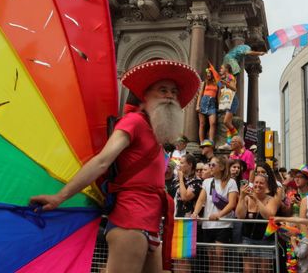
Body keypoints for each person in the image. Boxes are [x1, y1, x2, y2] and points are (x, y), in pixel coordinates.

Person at [29, 59, 198, 273]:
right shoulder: (133, 122)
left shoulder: (155, 133)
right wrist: (60, 197)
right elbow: (101, 161)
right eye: (162, 90)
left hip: (151, 223)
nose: (170, 96)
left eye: (174, 91)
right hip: (130, 221)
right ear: (145, 96)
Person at [193, 155, 240, 273]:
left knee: (220, 257)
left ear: (222, 167)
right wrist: (195, 213)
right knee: (211, 258)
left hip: (223, 225)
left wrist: (219, 215)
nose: (210, 167)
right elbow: (200, 200)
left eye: (213, 165)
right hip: (207, 224)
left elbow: (232, 204)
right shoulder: (207, 181)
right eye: (209, 165)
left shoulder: (231, 182)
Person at [236, 168, 281, 273]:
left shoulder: (271, 199)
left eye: (261, 183)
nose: (258, 185)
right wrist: (242, 197)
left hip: (266, 241)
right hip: (248, 239)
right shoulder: (247, 198)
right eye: (256, 182)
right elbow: (240, 215)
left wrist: (256, 200)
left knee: (264, 270)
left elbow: (268, 216)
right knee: (248, 270)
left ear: (266, 186)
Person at [216, 63, 239, 142]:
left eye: (222, 68)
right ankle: (229, 143)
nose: (220, 70)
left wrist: (225, 83)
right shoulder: (222, 79)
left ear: (226, 69)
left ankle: (237, 137)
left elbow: (234, 89)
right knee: (228, 123)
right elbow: (220, 92)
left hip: (232, 101)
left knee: (226, 122)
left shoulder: (230, 77)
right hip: (226, 102)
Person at [175, 154, 203, 218]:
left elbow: (185, 197)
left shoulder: (197, 181)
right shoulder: (177, 179)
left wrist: (181, 179)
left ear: (190, 165)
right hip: (175, 216)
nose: (179, 165)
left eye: (182, 163)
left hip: (188, 220)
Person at [197, 68, 219, 144]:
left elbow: (218, 96)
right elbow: (200, 94)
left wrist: (219, 106)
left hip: (212, 105)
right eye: (208, 73)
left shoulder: (217, 84)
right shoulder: (204, 83)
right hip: (203, 102)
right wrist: (197, 105)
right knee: (202, 124)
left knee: (213, 123)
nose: (208, 74)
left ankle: (211, 141)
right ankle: (202, 142)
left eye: (210, 73)